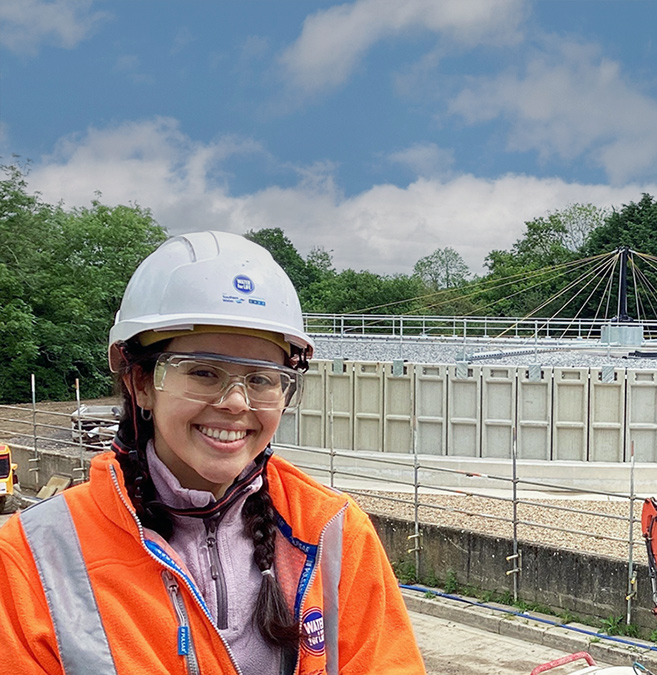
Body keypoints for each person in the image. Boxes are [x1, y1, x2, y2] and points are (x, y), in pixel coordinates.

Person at [0, 231, 426, 675]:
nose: (237, 402)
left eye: (262, 379)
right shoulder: (33, 559)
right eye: (204, 372)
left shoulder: (333, 534)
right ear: (140, 383)